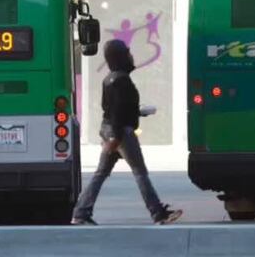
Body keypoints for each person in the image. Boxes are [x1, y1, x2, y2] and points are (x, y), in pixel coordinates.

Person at [71, 39, 182, 225]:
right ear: (121, 56)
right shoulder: (122, 80)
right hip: (121, 133)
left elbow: (114, 108)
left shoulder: (110, 79)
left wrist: (137, 113)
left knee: (100, 173)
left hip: (110, 130)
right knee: (140, 172)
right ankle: (158, 213)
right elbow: (118, 112)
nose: (131, 55)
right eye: (127, 52)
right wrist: (115, 137)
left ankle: (81, 213)